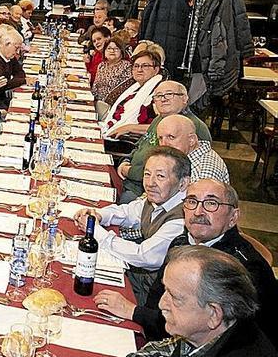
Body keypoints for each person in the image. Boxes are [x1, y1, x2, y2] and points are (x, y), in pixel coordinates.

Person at [95, 179, 278, 347]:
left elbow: (204, 335)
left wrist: (133, 311)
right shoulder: (182, 241)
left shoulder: (239, 270)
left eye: (211, 203)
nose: (198, 212)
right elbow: (157, 298)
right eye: (191, 201)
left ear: (233, 217)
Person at [73, 146, 190, 302]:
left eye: (160, 176)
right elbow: (127, 212)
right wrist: (98, 215)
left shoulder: (182, 218)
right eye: (147, 174)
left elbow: (144, 256)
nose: (150, 183)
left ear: (183, 183)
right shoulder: (160, 198)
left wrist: (97, 233)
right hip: (140, 277)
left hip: (154, 297)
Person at [125, 246, 276, 357]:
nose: (161, 304)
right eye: (165, 290)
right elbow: (165, 349)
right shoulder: (200, 334)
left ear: (214, 315)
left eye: (175, 298)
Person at [117, 81, 212, 203]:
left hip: (145, 191)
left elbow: (175, 174)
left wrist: (129, 171)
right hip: (129, 179)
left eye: (169, 94)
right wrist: (125, 161)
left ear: (184, 98)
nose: (163, 99)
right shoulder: (160, 119)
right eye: (158, 96)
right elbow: (140, 145)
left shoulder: (193, 127)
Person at [101, 46, 164, 138]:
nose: (139, 70)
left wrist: (130, 128)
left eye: (145, 66)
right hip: (112, 129)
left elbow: (164, 126)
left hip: (129, 140)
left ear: (156, 70)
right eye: (136, 66)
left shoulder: (160, 93)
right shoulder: (135, 88)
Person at [156, 115, 229, 183]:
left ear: (191, 140)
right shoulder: (183, 157)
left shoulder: (203, 175)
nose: (163, 144)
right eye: (160, 138)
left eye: (171, 137)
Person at [0, 29, 27, 108]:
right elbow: (3, 86)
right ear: (6, 44)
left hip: (4, 97)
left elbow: (20, 72)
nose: (18, 52)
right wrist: (23, 80)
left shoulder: (8, 54)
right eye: (16, 48)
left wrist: (15, 81)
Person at [92, 38, 132, 102]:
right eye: (109, 48)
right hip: (97, 102)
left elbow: (124, 93)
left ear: (121, 52)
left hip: (113, 105)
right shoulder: (102, 65)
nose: (112, 51)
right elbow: (95, 87)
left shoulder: (126, 67)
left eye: (116, 49)